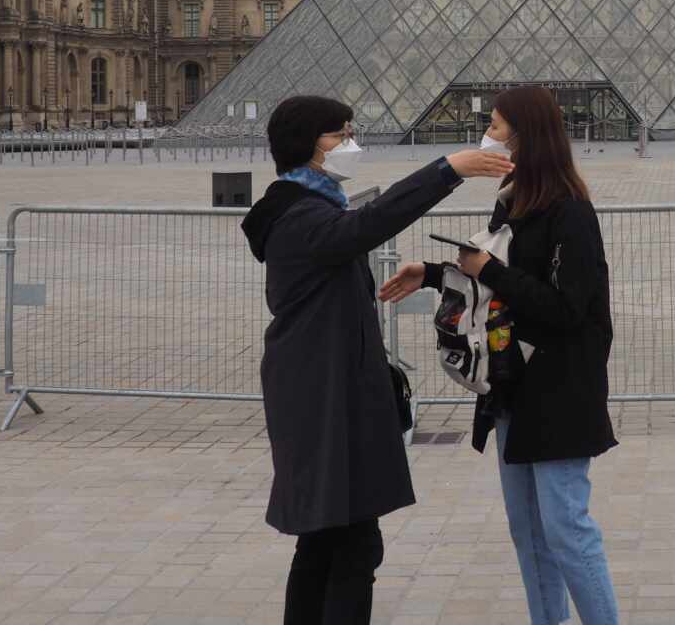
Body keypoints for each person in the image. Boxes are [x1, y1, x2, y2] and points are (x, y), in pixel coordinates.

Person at [241, 95, 512, 624]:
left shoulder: (303, 205)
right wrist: (447, 169)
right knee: (349, 542)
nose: (351, 143)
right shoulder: (300, 216)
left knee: (329, 540)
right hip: (320, 392)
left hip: (328, 384)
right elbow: (370, 225)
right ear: (307, 144)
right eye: (340, 134)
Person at [380, 85, 620, 625]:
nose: (486, 132)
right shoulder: (515, 202)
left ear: (524, 135)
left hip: (559, 390)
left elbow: (563, 309)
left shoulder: (570, 213)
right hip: (513, 387)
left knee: (566, 529)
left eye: (494, 123)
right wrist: (435, 273)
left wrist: (485, 270)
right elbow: (497, 286)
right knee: (529, 531)